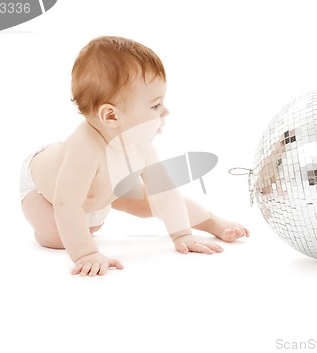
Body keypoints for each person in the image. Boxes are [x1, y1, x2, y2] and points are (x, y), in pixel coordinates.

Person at [19, 36, 249, 277]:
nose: (166, 111)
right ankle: (67, 225)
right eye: (155, 105)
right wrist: (86, 253)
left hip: (102, 188)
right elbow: (66, 204)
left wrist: (182, 234)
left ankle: (211, 221)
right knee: (58, 236)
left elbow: (166, 193)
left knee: (150, 201)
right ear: (111, 116)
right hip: (45, 192)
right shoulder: (83, 150)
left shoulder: (140, 144)